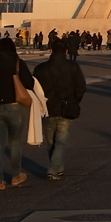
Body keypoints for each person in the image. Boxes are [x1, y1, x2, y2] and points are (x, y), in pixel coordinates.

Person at [0, 38, 35, 191]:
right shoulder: (17, 63)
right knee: (15, 142)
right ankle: (16, 175)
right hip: (14, 106)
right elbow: (29, 83)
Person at [33, 37, 87, 180]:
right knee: (61, 141)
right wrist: (74, 101)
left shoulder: (40, 68)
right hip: (66, 108)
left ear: (51, 50)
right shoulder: (73, 67)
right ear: (66, 50)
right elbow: (81, 86)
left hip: (47, 109)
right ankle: (53, 169)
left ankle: (58, 168)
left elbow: (34, 89)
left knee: (51, 142)